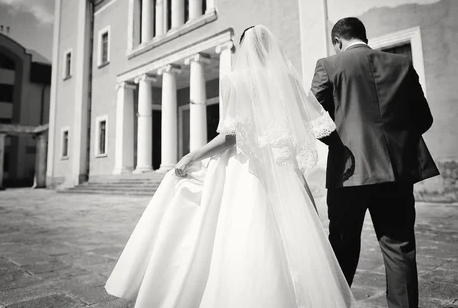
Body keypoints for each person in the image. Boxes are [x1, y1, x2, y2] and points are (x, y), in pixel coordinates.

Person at [105, 25, 356, 307]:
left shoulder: (236, 80)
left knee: (241, 231)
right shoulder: (286, 77)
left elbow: (230, 137)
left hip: (248, 169)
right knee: (291, 236)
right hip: (284, 168)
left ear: (243, 48)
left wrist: (193, 155)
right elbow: (315, 122)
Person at [311, 17, 439, 308]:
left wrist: (340, 146)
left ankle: (335, 304)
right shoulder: (401, 64)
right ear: (363, 37)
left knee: (342, 245)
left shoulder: (329, 66)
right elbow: (424, 118)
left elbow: (312, 117)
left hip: (349, 174)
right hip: (396, 171)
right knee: (400, 247)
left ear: (338, 41)